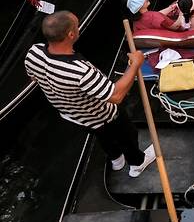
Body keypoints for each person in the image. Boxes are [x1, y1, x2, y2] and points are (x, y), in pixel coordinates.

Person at [24, 11, 155, 177]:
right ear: (71, 34)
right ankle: (137, 164)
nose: (79, 28)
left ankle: (116, 159)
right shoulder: (81, 71)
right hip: (105, 115)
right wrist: (135, 64)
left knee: (101, 136)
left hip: (72, 116)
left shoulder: (33, 53)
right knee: (128, 135)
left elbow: (33, 77)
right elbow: (116, 96)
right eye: (77, 26)